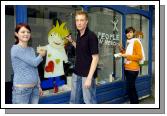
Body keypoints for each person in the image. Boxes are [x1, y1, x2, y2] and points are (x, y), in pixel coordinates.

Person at [66, 11, 99, 104]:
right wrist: (72, 41)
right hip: (77, 72)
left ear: (86, 21)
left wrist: (89, 78)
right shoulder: (79, 34)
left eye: (81, 20)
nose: (79, 23)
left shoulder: (91, 36)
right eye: (77, 20)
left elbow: (95, 58)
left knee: (89, 101)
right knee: (74, 100)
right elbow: (80, 48)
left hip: (87, 74)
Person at [11, 23, 46, 104]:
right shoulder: (15, 49)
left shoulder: (31, 49)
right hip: (21, 91)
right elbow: (34, 63)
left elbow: (35, 69)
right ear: (16, 34)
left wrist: (38, 85)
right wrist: (41, 55)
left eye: (28, 32)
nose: (26, 34)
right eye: (23, 32)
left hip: (34, 89)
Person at [120, 27, 144, 104]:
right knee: (131, 88)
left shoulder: (136, 42)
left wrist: (126, 56)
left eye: (130, 32)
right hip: (128, 68)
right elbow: (129, 54)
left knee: (130, 88)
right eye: (127, 33)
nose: (128, 34)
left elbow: (139, 57)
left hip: (132, 70)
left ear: (133, 33)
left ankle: (134, 104)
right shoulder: (129, 42)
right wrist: (121, 50)